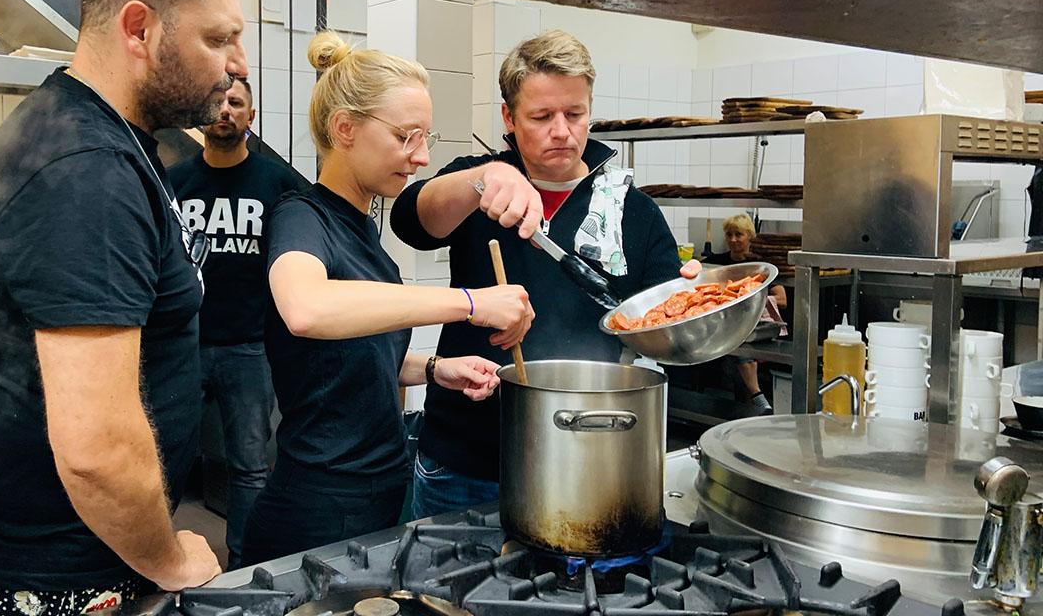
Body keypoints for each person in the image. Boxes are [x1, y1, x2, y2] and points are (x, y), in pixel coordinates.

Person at [0, 0, 246, 614]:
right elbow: (96, 448)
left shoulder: (100, 135)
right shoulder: (86, 173)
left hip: (64, 551)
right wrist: (167, 555)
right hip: (40, 575)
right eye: (218, 40)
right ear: (139, 28)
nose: (234, 65)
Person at [240, 32, 535, 565]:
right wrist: (469, 302)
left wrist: (435, 368)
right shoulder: (301, 215)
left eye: (425, 137)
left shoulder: (361, 229)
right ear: (345, 129)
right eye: (406, 137)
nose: (421, 156)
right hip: (319, 503)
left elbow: (346, 356)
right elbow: (307, 311)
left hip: (375, 485)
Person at [390, 30, 700, 519]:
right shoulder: (476, 182)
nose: (562, 131)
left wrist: (693, 299)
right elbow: (411, 219)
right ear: (509, 118)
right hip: (465, 458)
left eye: (575, 114)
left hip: (585, 456)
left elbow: (660, 326)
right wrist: (485, 179)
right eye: (541, 117)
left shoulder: (629, 210)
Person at [166, 78, 304, 570]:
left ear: (250, 115)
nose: (225, 110)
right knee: (163, 462)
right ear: (200, 113)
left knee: (250, 468)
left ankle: (243, 567)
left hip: (251, 348)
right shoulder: (175, 182)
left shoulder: (279, 183)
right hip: (182, 345)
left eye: (237, 103)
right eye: (218, 102)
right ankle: (159, 559)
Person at [702, 213, 787, 414]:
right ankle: (756, 399)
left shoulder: (761, 266)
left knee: (739, 345)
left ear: (749, 236)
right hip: (724, 325)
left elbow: (782, 299)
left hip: (755, 328)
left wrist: (749, 299)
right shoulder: (716, 262)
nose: (733, 240)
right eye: (729, 234)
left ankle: (756, 397)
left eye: (738, 234)